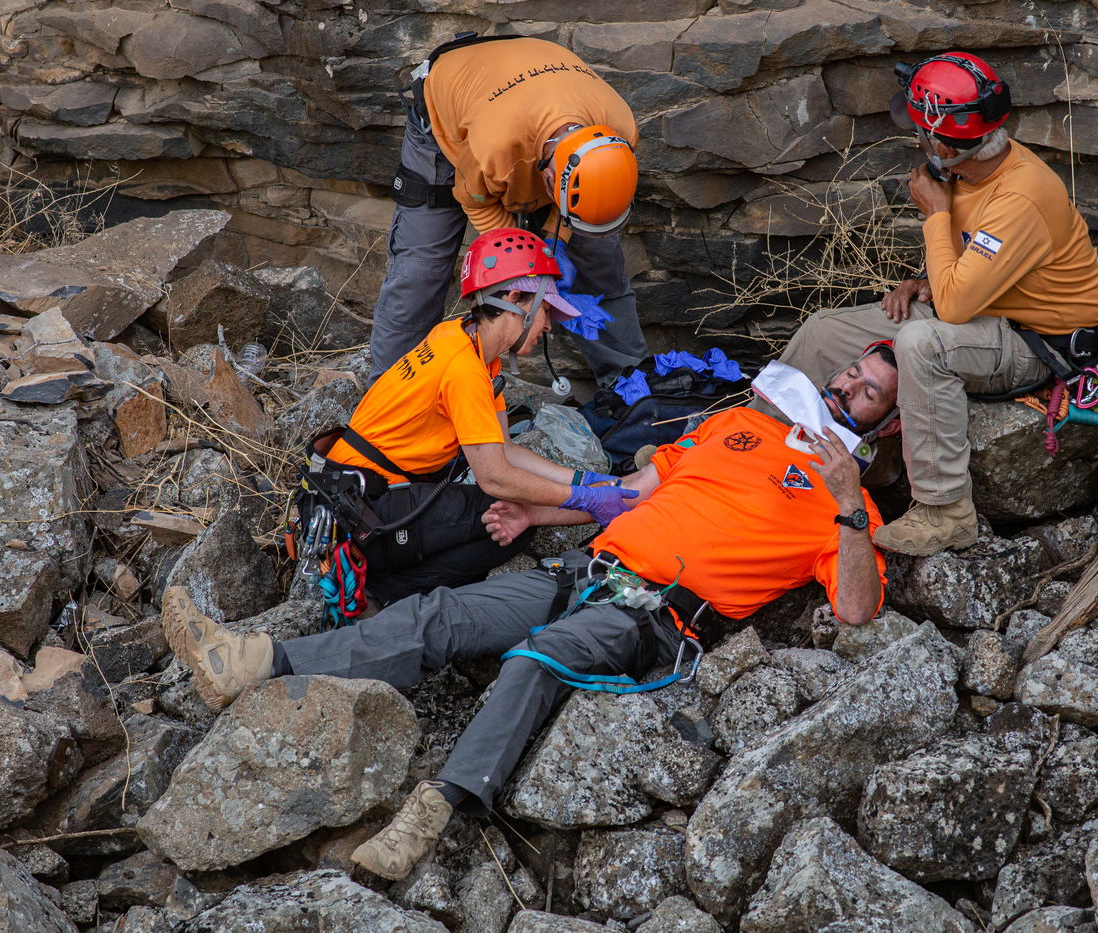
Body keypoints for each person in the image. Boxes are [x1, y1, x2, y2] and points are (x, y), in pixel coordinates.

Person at [161, 346, 901, 881]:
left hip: (654, 614)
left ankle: (434, 811)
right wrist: (535, 516)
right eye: (851, 371)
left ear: (883, 425)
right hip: (585, 567)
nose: (847, 386)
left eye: (868, 392)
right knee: (441, 614)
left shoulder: (850, 508)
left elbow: (860, 608)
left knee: (534, 657)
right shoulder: (735, 427)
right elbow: (631, 491)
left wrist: (843, 501)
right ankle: (254, 661)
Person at [772, 51, 1098, 557]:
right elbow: (977, 265)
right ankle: (755, 437)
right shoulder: (969, 170)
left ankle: (945, 511)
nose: (919, 140)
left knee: (921, 341)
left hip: (1043, 342)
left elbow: (954, 310)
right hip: (992, 309)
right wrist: (925, 280)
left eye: (922, 131)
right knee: (825, 331)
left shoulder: (1018, 196)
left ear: (942, 139)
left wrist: (935, 215)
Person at [306, 228, 637, 608]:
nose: (549, 325)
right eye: (545, 309)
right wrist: (584, 501)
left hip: (350, 496)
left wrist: (590, 480)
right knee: (506, 521)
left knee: (514, 516)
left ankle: (395, 583)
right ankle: (387, 594)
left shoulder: (462, 340)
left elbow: (505, 450)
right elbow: (495, 476)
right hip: (359, 516)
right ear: (514, 298)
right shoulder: (465, 369)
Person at [370, 32, 648, 385]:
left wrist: (557, 240)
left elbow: (579, 208)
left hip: (533, 82)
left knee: (597, 256)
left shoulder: (620, 131)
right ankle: (389, 395)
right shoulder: (496, 150)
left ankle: (631, 389)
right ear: (548, 177)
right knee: (420, 270)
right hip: (452, 107)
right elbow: (473, 199)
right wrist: (526, 263)